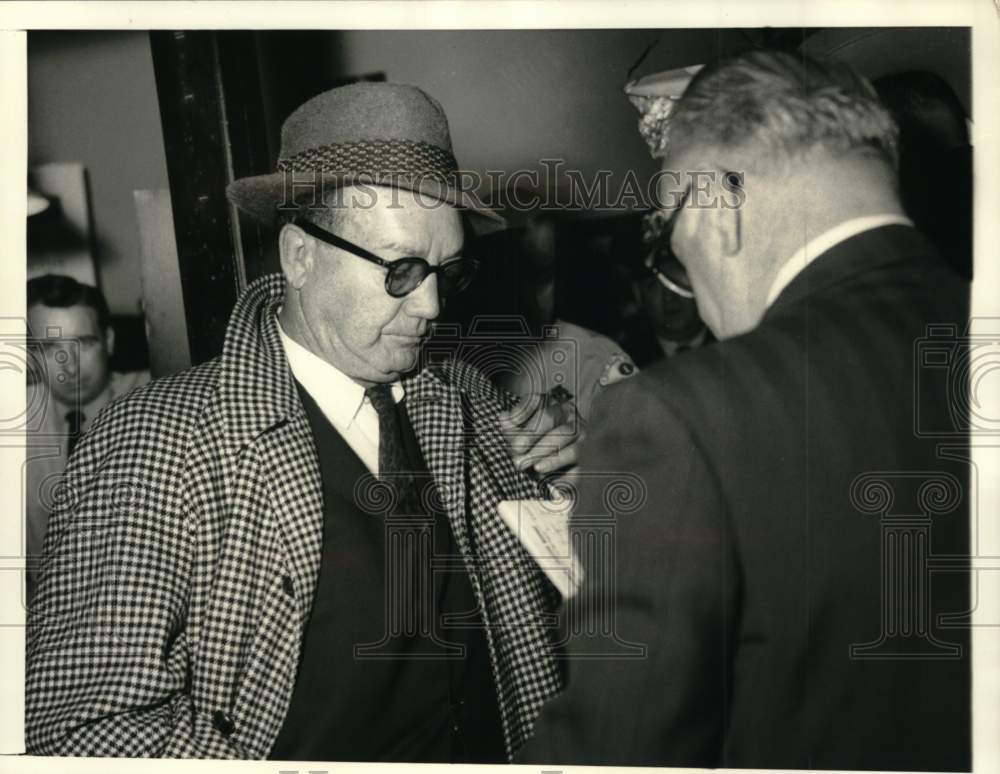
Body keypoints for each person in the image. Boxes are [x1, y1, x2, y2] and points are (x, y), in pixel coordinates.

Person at [27, 83, 566, 761]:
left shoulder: (469, 399)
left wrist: (569, 490)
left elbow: (542, 627)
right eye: (401, 270)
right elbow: (74, 731)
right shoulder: (153, 442)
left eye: (446, 272)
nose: (431, 306)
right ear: (300, 256)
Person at [520, 50, 970, 770]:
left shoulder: (682, 413)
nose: (692, 295)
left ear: (715, 209)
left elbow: (617, 748)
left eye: (670, 244)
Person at [24, 274, 150, 600]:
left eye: (84, 343)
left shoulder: (154, 397)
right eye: (51, 347)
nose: (70, 366)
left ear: (108, 341)